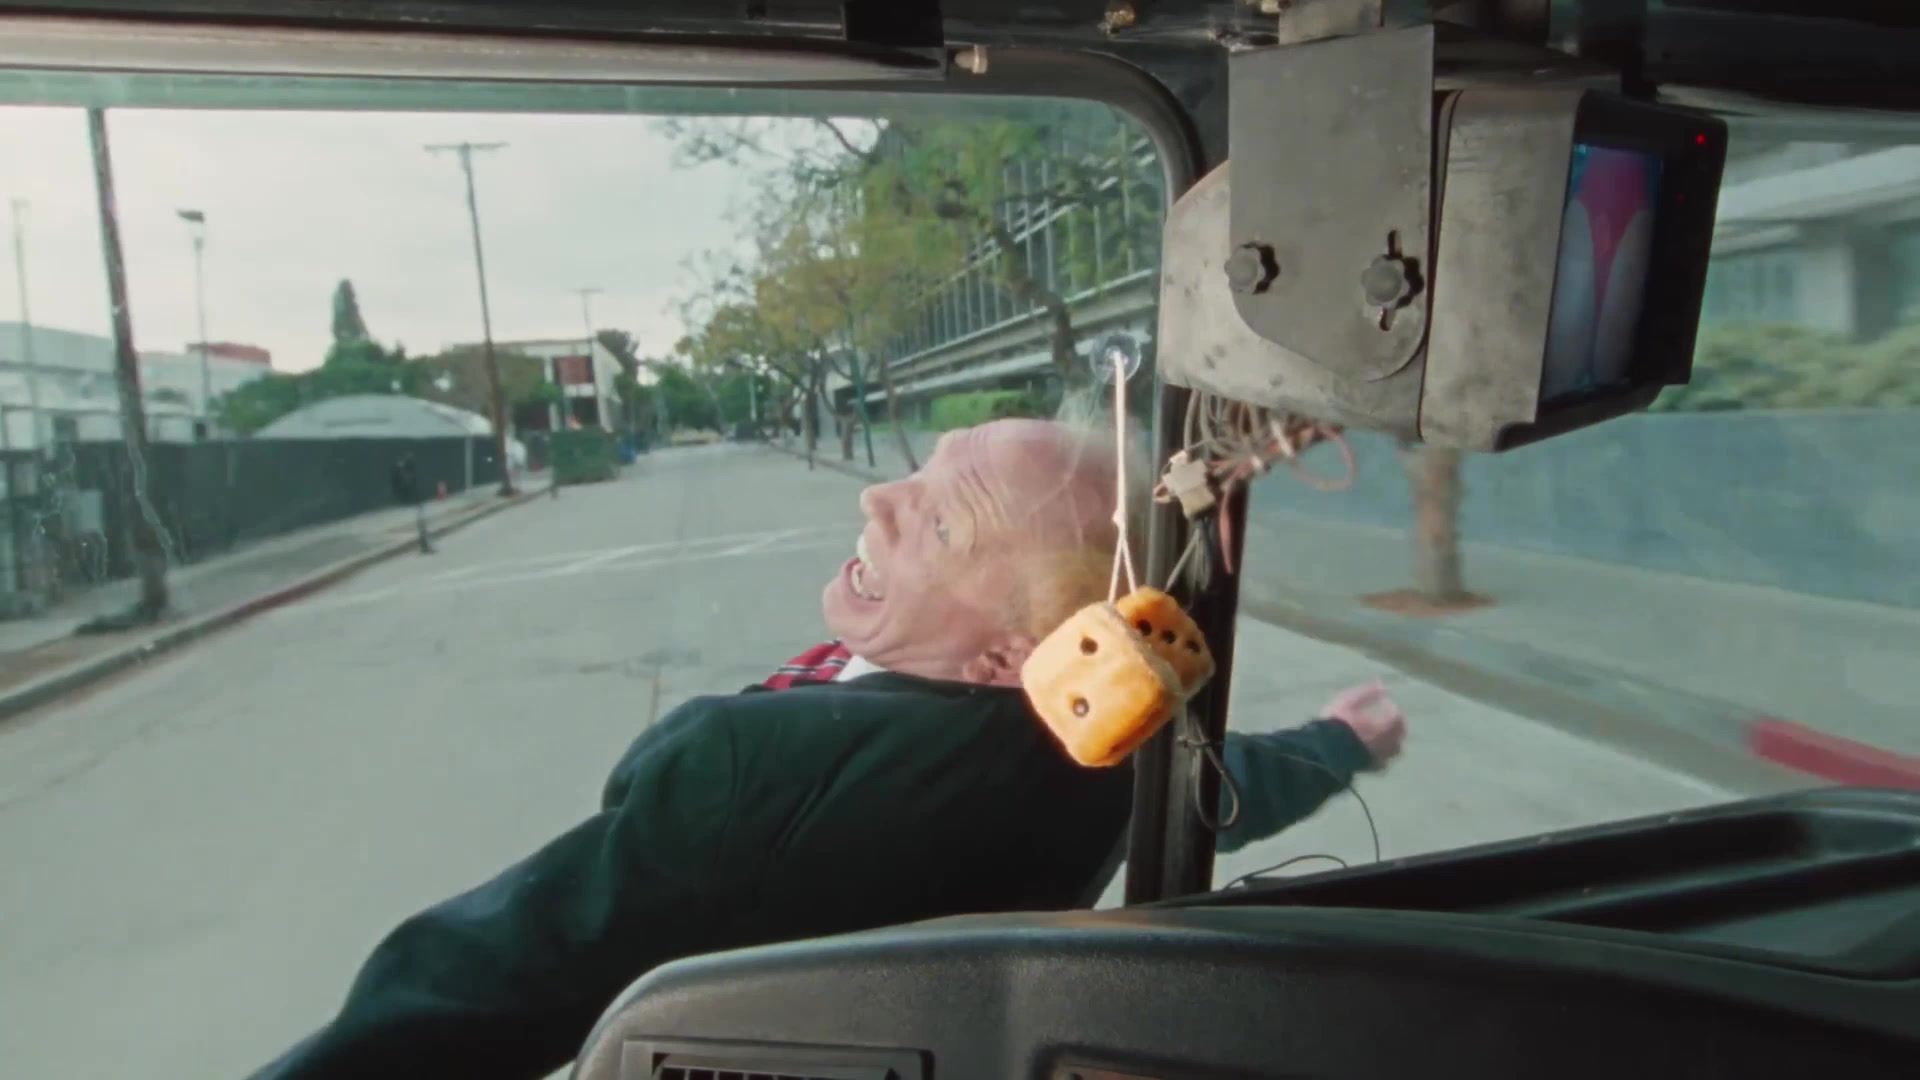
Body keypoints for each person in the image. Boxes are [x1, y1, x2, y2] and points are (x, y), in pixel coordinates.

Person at [252, 418, 1406, 1080]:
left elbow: (476, 983)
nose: (878, 498)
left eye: (941, 521)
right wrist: (1342, 742)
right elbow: (1223, 786)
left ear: (1014, 655)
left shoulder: (746, 772)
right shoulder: (1098, 740)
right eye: (925, 468)